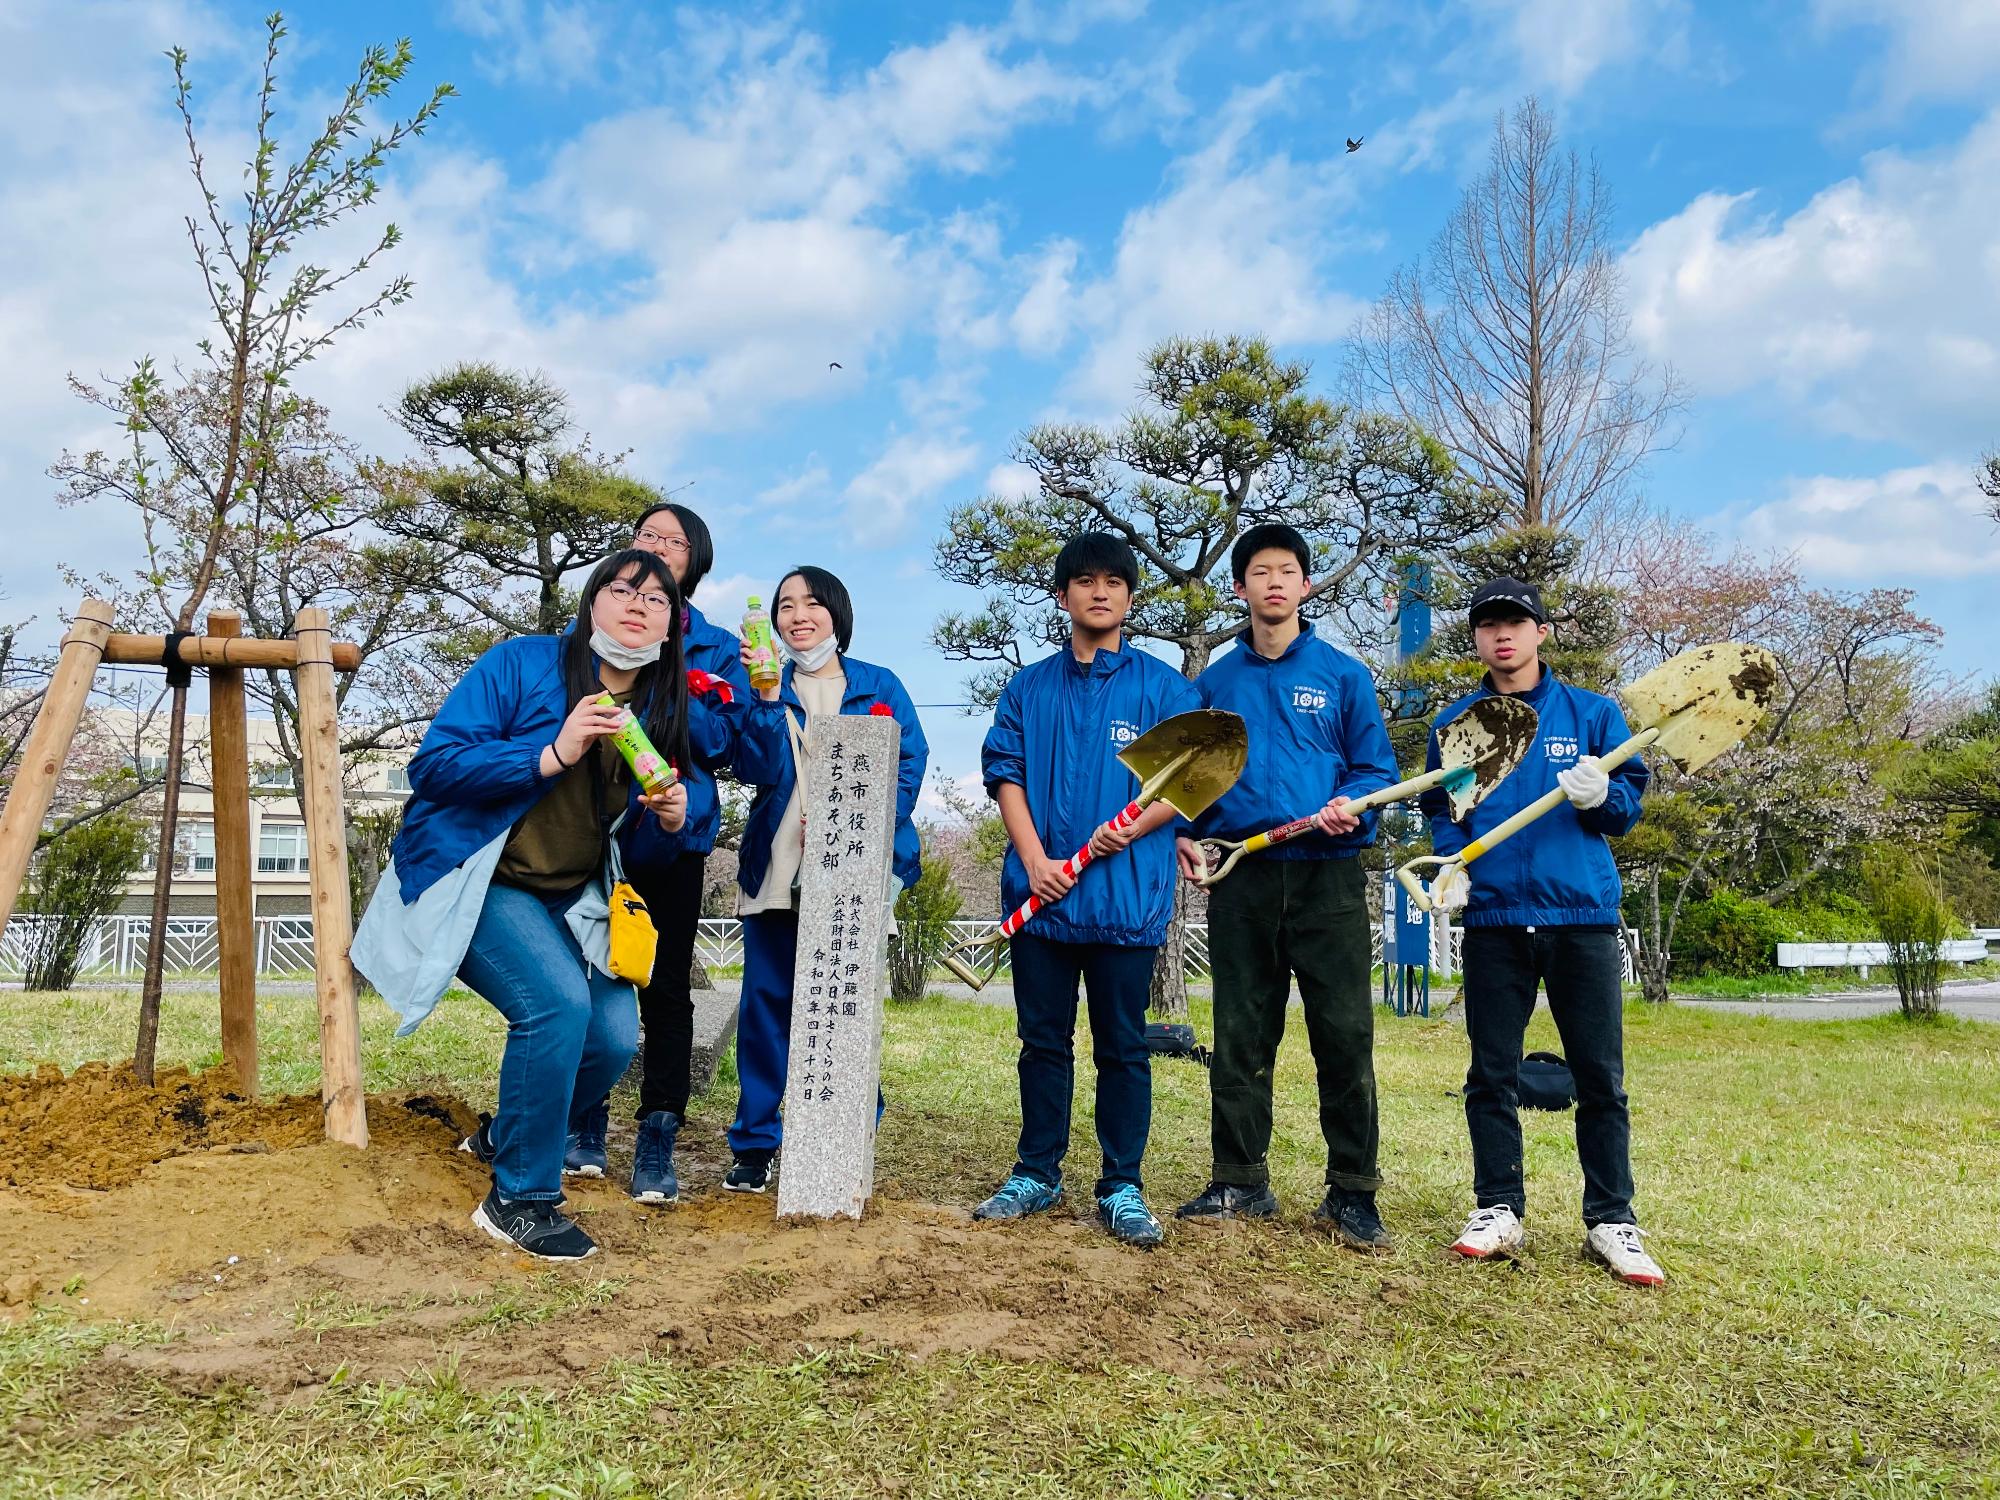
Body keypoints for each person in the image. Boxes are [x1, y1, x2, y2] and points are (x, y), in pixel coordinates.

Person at [352, 550, 691, 1261]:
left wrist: (669, 819)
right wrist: (551, 751)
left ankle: (507, 1135)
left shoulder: (660, 703)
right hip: (479, 876)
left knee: (612, 1037)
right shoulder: (520, 665)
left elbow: (643, 847)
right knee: (556, 1005)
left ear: (672, 621)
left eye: (656, 598)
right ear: (592, 603)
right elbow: (435, 765)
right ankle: (520, 1199)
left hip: (571, 894)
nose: (637, 604)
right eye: (622, 589)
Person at [1418, 576, 1662, 1286]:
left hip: (1580, 916)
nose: (1503, 635)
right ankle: (1497, 1206)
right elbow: (1446, 813)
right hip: (1494, 917)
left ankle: (1612, 1220)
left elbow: (1624, 811)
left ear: (1541, 633)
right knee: (1491, 1074)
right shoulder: (1459, 726)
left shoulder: (1592, 715)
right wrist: (1448, 866)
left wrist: (1600, 797)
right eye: (1489, 625)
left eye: (1516, 623)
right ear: (1476, 639)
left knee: (1600, 1077)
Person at [1171, 523, 1400, 1249]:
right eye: (1259, 573)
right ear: (1239, 590)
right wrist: (1184, 829)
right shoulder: (1214, 684)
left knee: (1344, 1034)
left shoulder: (1342, 675)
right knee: (1240, 1031)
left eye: (1287, 571)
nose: (1274, 582)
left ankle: (1353, 1193)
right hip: (1243, 873)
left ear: (1306, 586)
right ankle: (1240, 1178)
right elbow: (1185, 784)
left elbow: (1377, 772)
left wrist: (1352, 805)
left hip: (1327, 877)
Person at [972, 532, 1199, 1248]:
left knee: (1123, 1047)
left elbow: (1188, 780)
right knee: (1042, 1042)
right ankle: (1035, 1171)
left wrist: (1128, 833)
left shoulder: (1162, 687)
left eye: (1113, 582)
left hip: (1123, 901)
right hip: (1042, 900)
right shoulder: (1029, 685)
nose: (1099, 592)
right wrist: (1035, 858)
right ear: (1062, 595)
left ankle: (1122, 1184)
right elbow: (1005, 771)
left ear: (1131, 597)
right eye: (1084, 581)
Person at [565, 502, 749, 1206]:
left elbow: (730, 744)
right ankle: (583, 1124)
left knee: (666, 989)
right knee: (585, 972)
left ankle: (658, 1136)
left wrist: (660, 682)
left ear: (694, 563)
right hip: (591, 826)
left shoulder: (715, 645)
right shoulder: (595, 625)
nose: (658, 550)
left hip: (674, 833)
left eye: (673, 543)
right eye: (647, 537)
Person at [724, 565, 928, 1192]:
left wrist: (858, 828)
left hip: (856, 873)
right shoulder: (765, 683)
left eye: (812, 603)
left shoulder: (878, 684)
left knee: (844, 1004)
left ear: (837, 613)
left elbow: (908, 764)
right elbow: (753, 765)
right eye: (785, 606)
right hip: (778, 868)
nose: (798, 615)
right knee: (766, 1006)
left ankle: (848, 1126)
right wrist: (760, 696)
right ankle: (757, 1142)